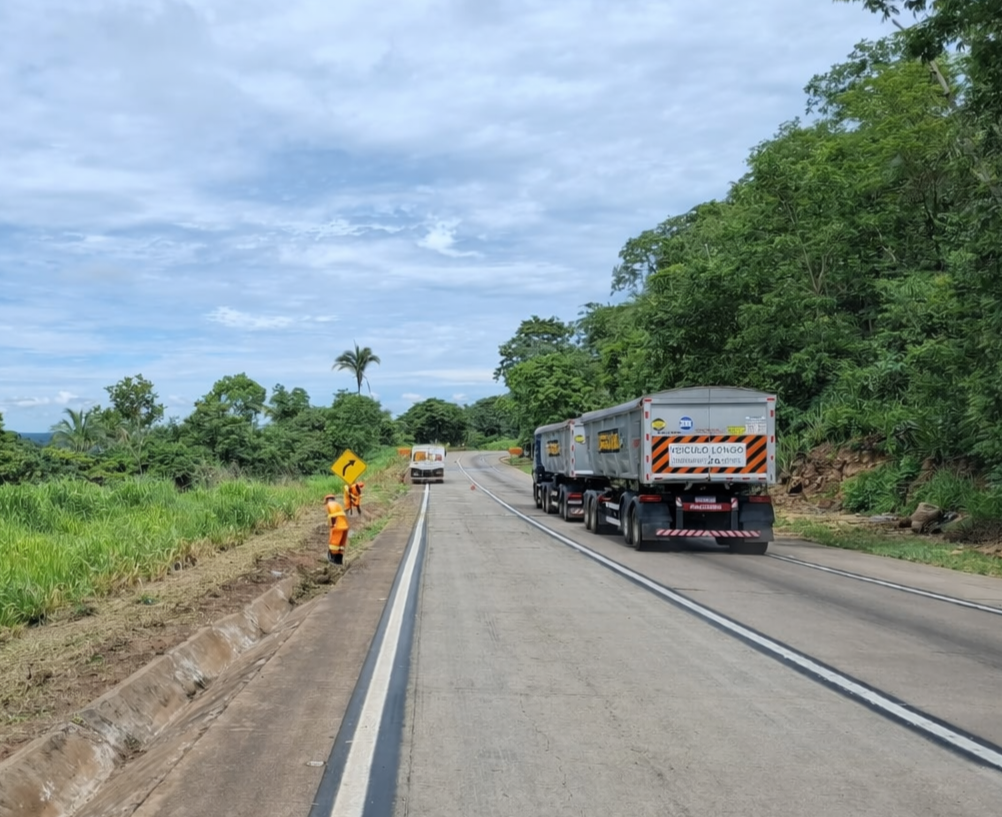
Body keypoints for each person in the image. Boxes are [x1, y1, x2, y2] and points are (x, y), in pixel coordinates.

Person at [324, 494, 349, 564]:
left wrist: (333, 525)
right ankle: (339, 561)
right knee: (341, 545)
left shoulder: (330, 504)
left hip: (337, 526)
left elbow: (333, 516)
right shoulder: (338, 504)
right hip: (345, 526)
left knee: (334, 544)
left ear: (327, 500)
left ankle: (333, 560)